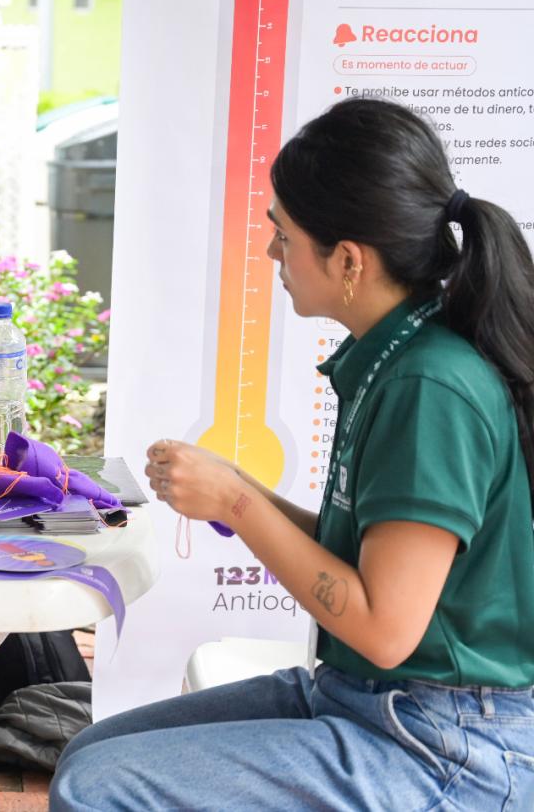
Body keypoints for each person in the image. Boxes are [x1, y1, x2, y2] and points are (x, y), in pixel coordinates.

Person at [50, 98, 534, 810]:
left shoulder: (432, 384)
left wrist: (238, 505)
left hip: (443, 744)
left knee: (98, 790)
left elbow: (385, 626)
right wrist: (239, 488)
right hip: (368, 699)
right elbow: (369, 564)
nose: (273, 253)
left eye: (283, 234)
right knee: (89, 753)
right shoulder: (397, 351)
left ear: (347, 260)